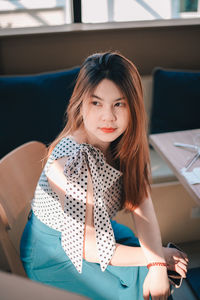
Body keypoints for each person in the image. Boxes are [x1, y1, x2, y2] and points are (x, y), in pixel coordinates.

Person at [20, 51, 188, 300]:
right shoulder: (72, 163)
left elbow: (141, 202)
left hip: (99, 233)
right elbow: (88, 248)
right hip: (57, 253)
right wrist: (157, 258)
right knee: (143, 285)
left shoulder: (122, 142)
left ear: (133, 108)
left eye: (119, 104)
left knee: (154, 270)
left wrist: (155, 261)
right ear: (81, 104)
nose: (108, 116)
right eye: (96, 103)